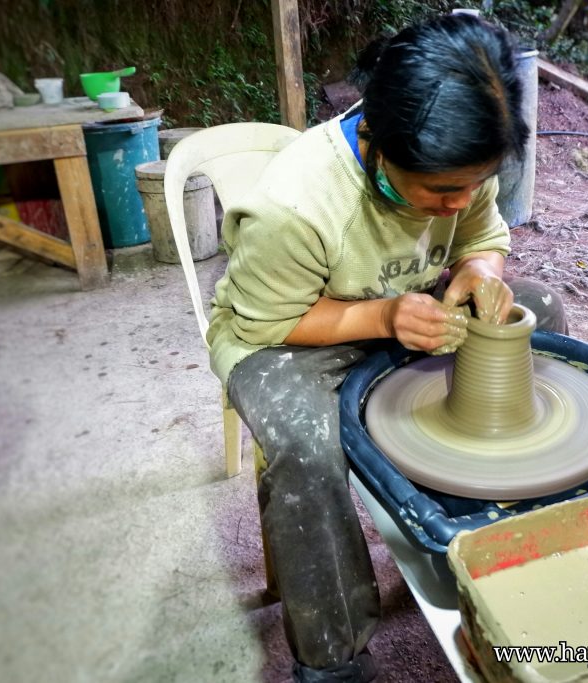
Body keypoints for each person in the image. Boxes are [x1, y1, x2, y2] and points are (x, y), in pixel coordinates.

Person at [206, 13, 567, 683]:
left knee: (537, 316)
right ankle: (334, 657)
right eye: (441, 192)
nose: (460, 200)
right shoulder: (295, 205)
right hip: (291, 333)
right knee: (305, 442)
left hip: (409, 306)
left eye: (473, 183)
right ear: (377, 137)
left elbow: (481, 234)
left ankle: (488, 530)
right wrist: (382, 315)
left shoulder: (462, 163)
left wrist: (479, 274)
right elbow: (264, 322)